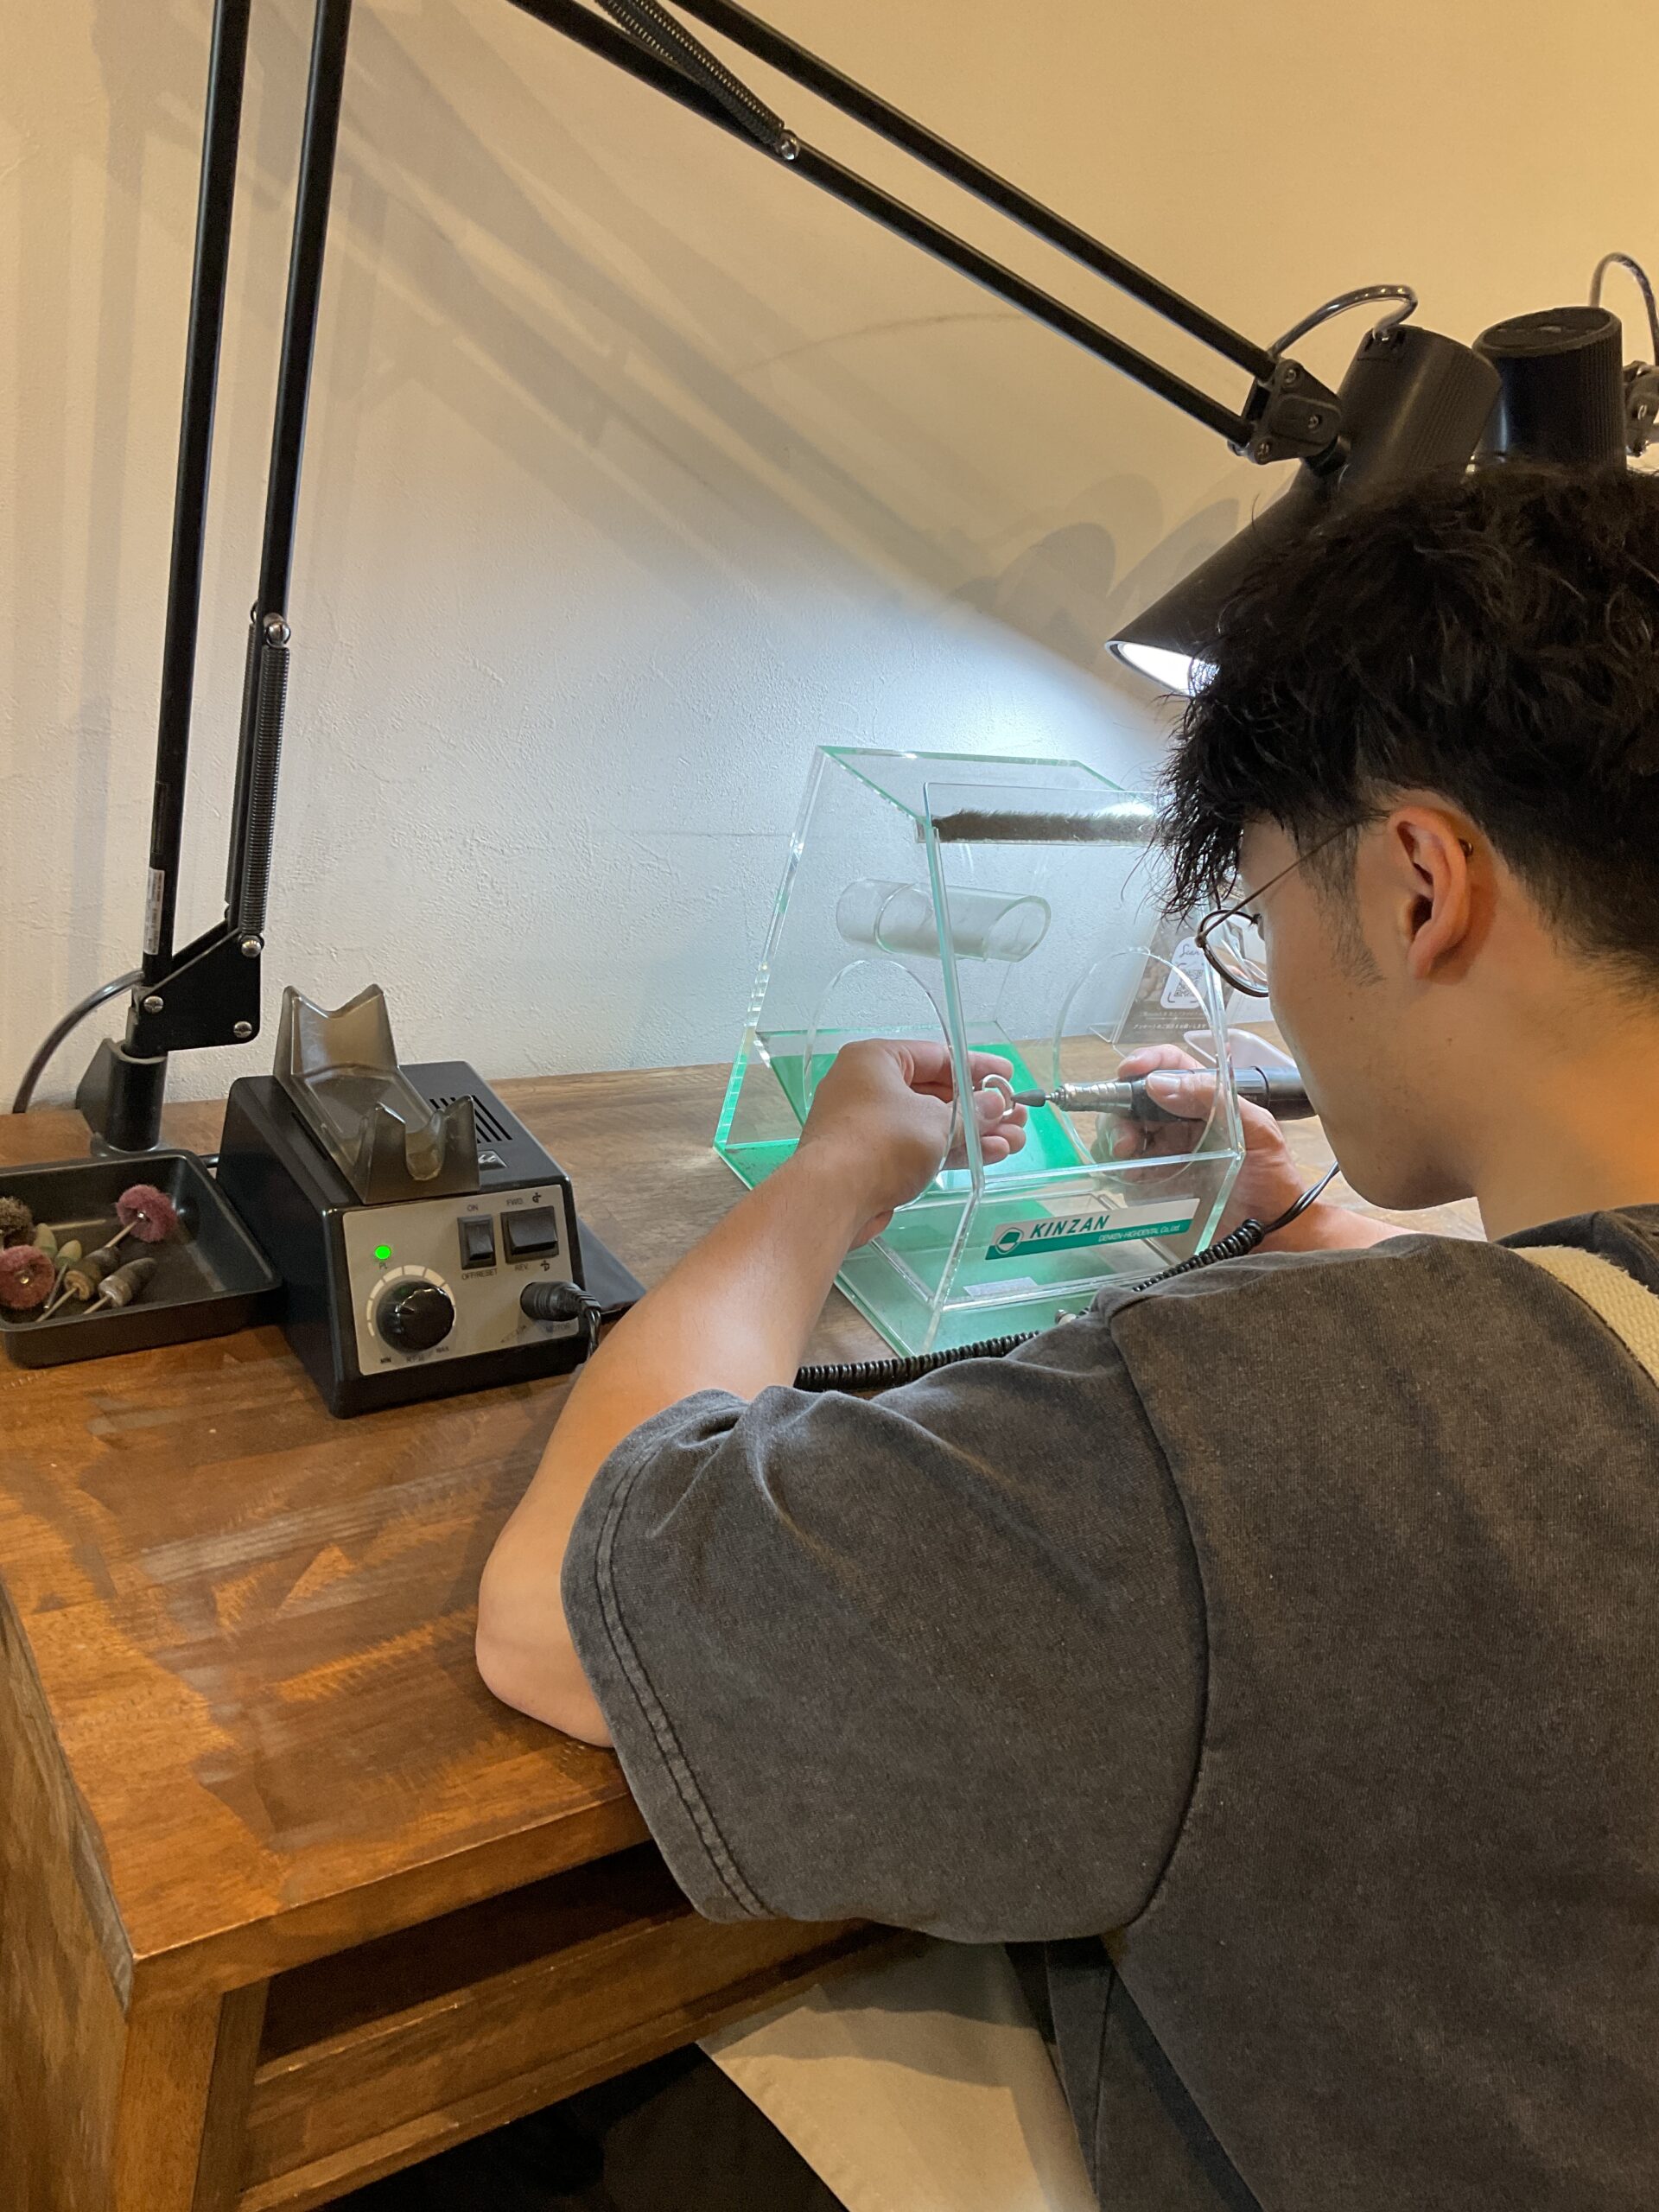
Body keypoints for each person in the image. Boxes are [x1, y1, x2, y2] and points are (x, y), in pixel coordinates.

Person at [475, 463, 1659, 2210]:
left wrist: (830, 1173)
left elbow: (562, 1611)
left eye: (1261, 920)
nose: (1273, 985)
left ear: (1422, 885)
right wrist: (1307, 1225)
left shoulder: (1300, 1433)